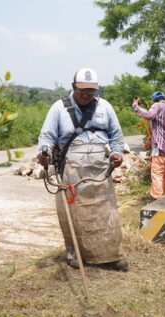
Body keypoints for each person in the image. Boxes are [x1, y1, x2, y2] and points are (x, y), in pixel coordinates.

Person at [37, 68, 128, 272]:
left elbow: (116, 135)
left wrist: (117, 153)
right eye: (83, 91)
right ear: (73, 87)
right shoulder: (58, 108)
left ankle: (112, 255)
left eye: (91, 91)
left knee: (105, 212)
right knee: (74, 214)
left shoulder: (105, 107)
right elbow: (47, 137)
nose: (87, 95)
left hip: (99, 171)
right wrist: (44, 152)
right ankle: (75, 253)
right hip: (71, 170)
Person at [132, 91, 165, 199]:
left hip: (161, 149)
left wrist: (136, 105)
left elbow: (149, 115)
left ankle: (157, 199)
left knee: (157, 174)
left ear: (154, 100)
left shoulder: (157, 106)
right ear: (164, 98)